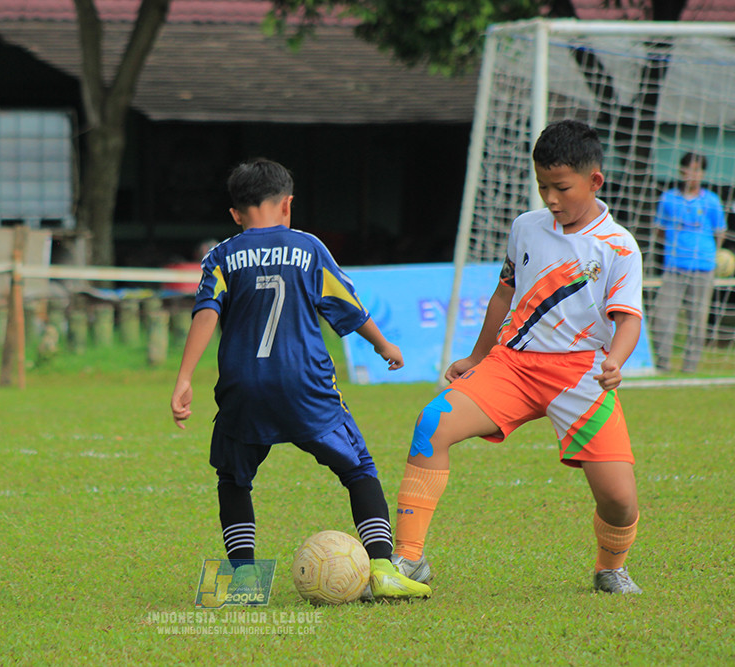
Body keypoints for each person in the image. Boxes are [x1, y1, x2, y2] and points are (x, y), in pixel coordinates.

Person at [392, 120, 645, 595]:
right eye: (543, 186)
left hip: (582, 375)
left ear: (595, 182)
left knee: (619, 500)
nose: (550, 198)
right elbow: (504, 293)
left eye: (561, 188)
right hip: (513, 364)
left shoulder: (619, 247)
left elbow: (628, 319)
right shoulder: (525, 228)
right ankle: (407, 561)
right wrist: (476, 355)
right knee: (432, 422)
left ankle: (611, 567)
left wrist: (617, 360)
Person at [170, 158, 431, 601]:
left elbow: (206, 312)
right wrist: (383, 346)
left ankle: (245, 582)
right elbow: (347, 306)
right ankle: (384, 567)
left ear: (235, 214)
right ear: (287, 204)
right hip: (306, 385)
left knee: (234, 480)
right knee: (358, 469)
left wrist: (184, 378)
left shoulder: (221, 256)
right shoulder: (308, 248)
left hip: (244, 387)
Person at [650, 152, 727, 373]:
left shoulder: (712, 200)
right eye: (689, 169)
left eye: (698, 170)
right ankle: (663, 366)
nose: (693, 174)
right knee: (662, 317)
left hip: (703, 268)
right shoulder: (668, 199)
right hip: (674, 266)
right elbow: (660, 231)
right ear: (681, 170)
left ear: (702, 173)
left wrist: (713, 254)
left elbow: (719, 232)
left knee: (697, 322)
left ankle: (689, 369)